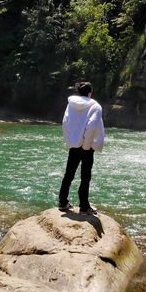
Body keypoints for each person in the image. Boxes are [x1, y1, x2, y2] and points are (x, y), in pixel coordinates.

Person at [58, 81, 105, 214]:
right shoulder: (95, 106)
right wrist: (86, 146)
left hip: (74, 144)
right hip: (87, 146)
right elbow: (92, 126)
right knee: (85, 176)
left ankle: (62, 202)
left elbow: (65, 122)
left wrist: (71, 141)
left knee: (69, 174)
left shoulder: (71, 104)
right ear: (90, 92)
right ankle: (84, 206)